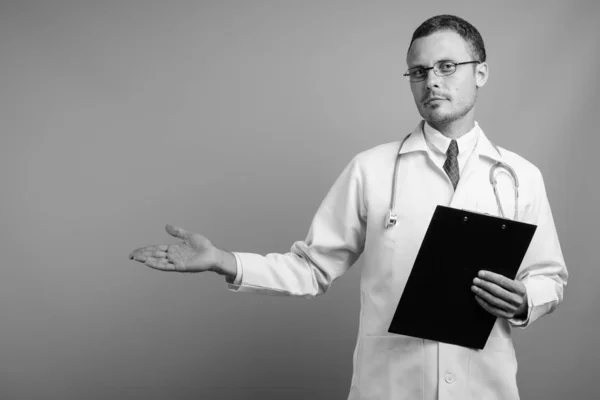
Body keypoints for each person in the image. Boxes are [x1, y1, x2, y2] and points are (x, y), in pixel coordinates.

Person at [129, 14, 567, 400]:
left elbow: (549, 275)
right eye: (418, 71)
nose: (431, 81)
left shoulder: (520, 176)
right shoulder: (371, 169)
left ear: (482, 72)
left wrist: (527, 299)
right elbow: (310, 269)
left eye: (447, 66)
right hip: (390, 387)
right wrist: (222, 261)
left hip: (485, 388)